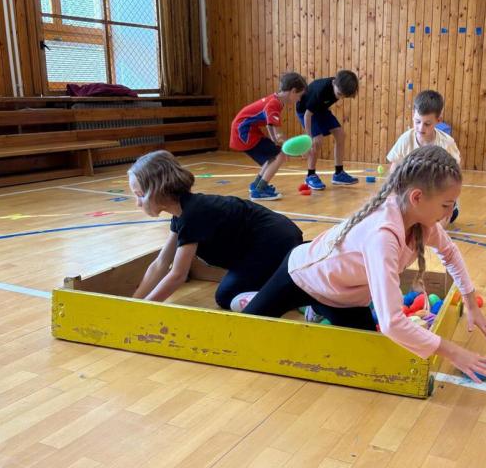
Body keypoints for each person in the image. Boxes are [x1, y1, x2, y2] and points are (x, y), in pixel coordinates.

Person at [244, 145, 486, 382]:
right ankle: (254, 297)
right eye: (446, 204)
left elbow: (450, 253)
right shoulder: (382, 235)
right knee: (245, 332)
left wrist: (470, 302)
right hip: (302, 277)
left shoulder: (423, 223)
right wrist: (454, 353)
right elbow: (392, 322)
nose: (450, 212)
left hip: (344, 297)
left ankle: (316, 308)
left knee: (371, 362)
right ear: (417, 197)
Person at [128, 150, 303, 310]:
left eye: (139, 195)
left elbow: (178, 275)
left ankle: (296, 294)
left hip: (277, 241)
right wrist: (133, 303)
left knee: (227, 295)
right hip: (269, 242)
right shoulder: (182, 213)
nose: (138, 203)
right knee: (232, 290)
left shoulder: (192, 214)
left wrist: (142, 309)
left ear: (157, 190)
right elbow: (161, 263)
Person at [230, 72, 307, 200]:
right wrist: (296, 149)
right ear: (293, 91)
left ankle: (257, 185)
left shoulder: (277, 101)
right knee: (279, 155)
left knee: (273, 155)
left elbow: (269, 124)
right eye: (299, 96)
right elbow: (279, 134)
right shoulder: (274, 104)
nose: (299, 99)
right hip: (243, 132)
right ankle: (259, 191)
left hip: (246, 130)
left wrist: (274, 142)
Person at [387, 89, 461, 223]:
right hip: (415, 198)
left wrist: (448, 203)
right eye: (417, 122)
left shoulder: (446, 143)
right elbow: (394, 168)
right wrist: (393, 196)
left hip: (438, 197)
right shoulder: (406, 140)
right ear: (413, 115)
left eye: (427, 124)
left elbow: (455, 176)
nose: (421, 128)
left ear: (438, 120)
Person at [297, 69, 360, 190]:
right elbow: (307, 115)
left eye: (344, 96)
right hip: (305, 111)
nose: (340, 97)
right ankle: (310, 175)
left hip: (321, 109)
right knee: (317, 140)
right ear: (334, 83)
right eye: (339, 94)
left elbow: (325, 104)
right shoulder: (320, 90)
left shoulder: (340, 86)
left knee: (340, 134)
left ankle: (339, 174)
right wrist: (308, 138)